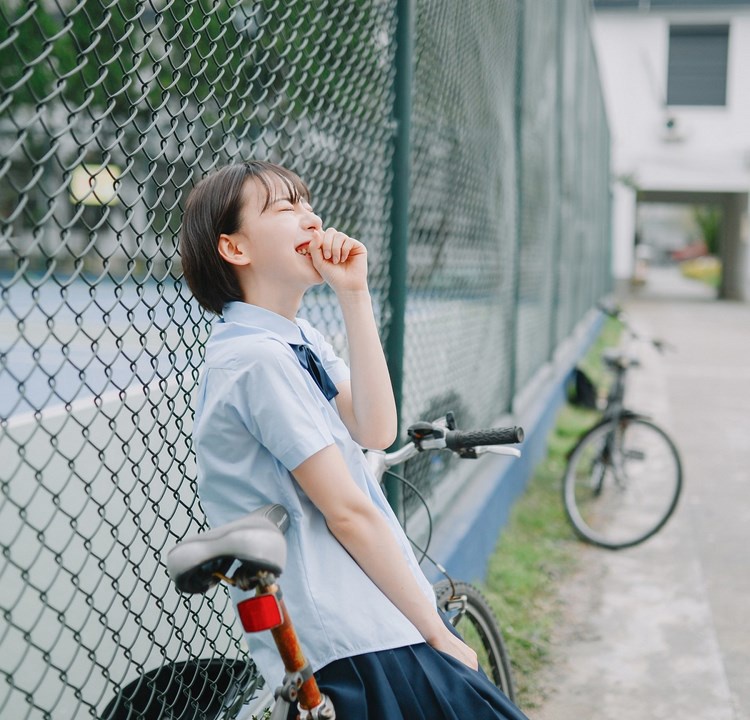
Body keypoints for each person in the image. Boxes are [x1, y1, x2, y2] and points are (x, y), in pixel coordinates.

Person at [179, 160, 530, 719]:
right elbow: (347, 512)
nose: (311, 219)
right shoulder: (254, 359)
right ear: (235, 249)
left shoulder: (298, 340)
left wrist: (355, 294)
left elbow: (375, 429)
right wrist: (437, 633)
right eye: (285, 208)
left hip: (368, 624)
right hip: (347, 640)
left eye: (308, 203)